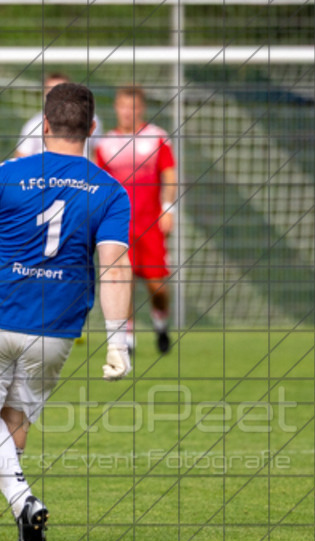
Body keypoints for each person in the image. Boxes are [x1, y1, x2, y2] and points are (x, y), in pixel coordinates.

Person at [0, 83, 133, 541]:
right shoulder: (110, 191)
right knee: (14, 420)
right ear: (91, 129)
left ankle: (23, 500)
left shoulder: (7, 173)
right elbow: (113, 266)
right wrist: (117, 340)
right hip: (56, 330)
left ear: (43, 125)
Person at [94, 86, 177, 353]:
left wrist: (168, 208)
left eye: (132, 107)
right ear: (116, 107)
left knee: (158, 286)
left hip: (151, 224)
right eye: (122, 106)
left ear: (141, 108)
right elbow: (99, 184)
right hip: (120, 225)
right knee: (122, 280)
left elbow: (169, 174)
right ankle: (128, 339)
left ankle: (160, 324)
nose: (127, 112)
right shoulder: (105, 144)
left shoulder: (156, 138)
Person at [13, 72, 102, 159]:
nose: (58, 97)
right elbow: (21, 157)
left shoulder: (90, 118)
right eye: (51, 91)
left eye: (62, 91)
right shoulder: (34, 124)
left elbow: (97, 155)